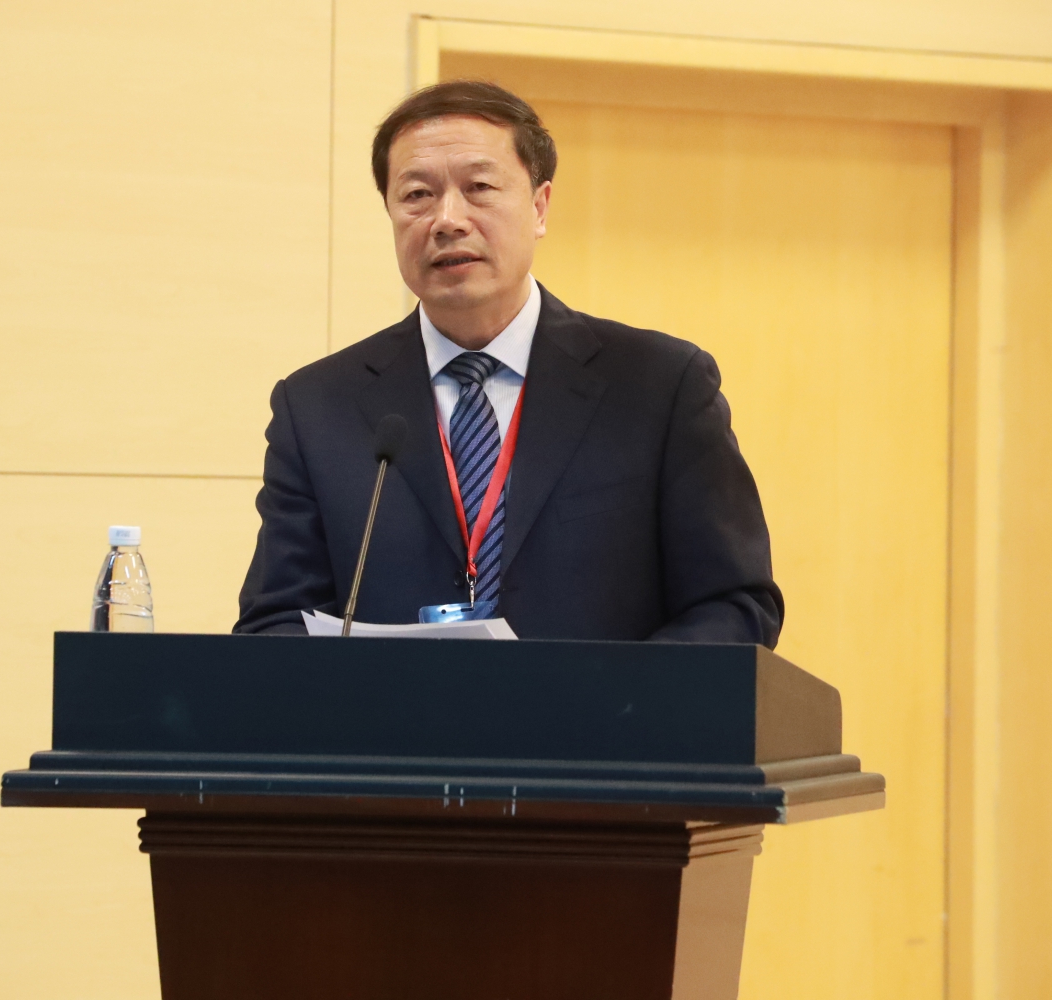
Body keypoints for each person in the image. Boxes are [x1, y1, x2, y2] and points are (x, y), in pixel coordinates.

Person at [234, 80, 783, 644]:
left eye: (479, 188)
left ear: (539, 207)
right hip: (391, 706)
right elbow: (274, 622)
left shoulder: (659, 386)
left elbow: (735, 605)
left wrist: (614, 691)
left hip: (600, 704)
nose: (447, 219)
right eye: (417, 194)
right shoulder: (317, 407)